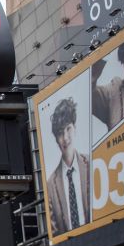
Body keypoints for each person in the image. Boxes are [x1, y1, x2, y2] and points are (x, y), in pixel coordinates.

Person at [46, 97, 91, 235]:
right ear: (56, 139)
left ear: (75, 128)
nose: (65, 138)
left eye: (68, 129)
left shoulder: (91, 164)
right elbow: (54, 232)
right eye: (60, 132)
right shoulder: (50, 184)